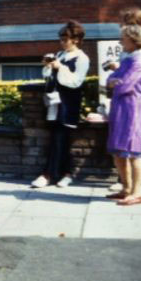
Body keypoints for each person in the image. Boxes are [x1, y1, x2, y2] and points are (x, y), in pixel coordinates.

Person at [106, 7, 141, 191]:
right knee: (122, 148)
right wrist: (114, 80)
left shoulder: (140, 58)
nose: (120, 40)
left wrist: (116, 81)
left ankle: (135, 189)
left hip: (133, 106)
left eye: (125, 23)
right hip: (122, 107)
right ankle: (126, 187)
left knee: (133, 149)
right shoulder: (130, 56)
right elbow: (112, 80)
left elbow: (124, 84)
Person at [31, 21, 90, 188]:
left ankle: (49, 174)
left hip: (68, 103)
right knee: (56, 138)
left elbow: (75, 82)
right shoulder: (60, 54)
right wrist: (49, 65)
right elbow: (50, 77)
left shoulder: (82, 58)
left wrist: (60, 67)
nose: (62, 42)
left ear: (76, 40)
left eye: (66, 39)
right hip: (55, 102)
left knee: (62, 138)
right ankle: (64, 174)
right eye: (61, 38)